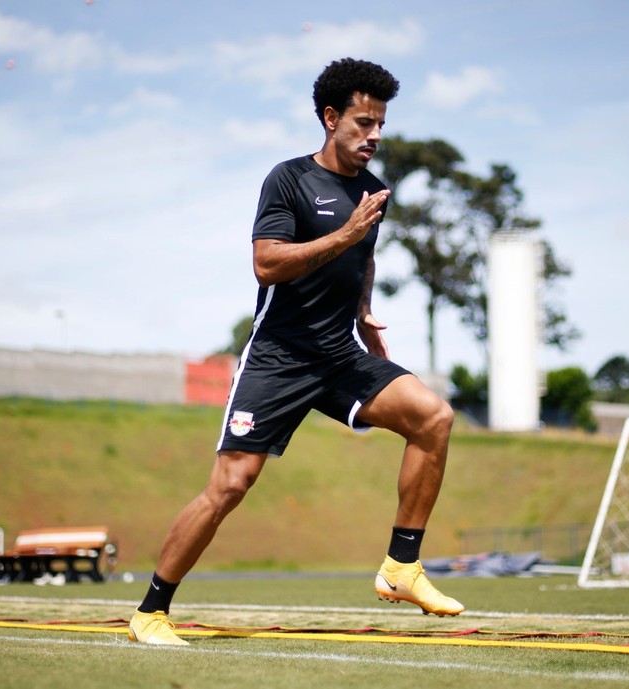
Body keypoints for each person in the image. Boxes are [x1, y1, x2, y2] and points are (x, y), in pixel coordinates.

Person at [128, 57, 463, 646]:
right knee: (230, 485)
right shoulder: (287, 179)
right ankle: (150, 613)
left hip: (340, 354)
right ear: (331, 119)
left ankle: (401, 567)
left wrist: (362, 311)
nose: (374, 135)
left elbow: (363, 258)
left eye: (380, 124)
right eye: (363, 123)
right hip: (278, 357)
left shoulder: (372, 191)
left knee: (433, 418)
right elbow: (267, 263)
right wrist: (344, 233)